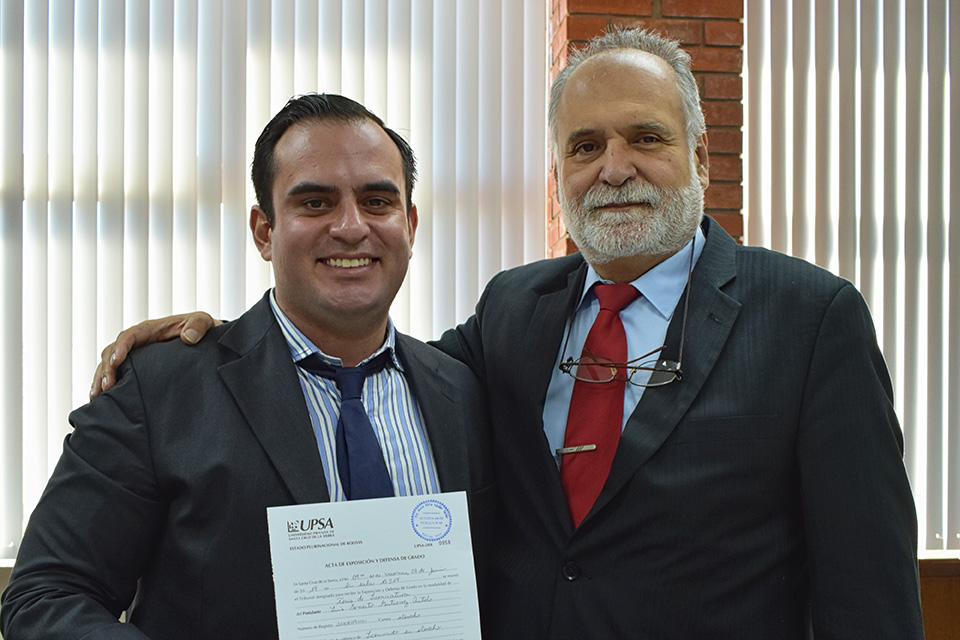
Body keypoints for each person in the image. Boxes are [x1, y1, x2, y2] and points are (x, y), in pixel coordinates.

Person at [83, 29, 924, 639]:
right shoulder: (514, 311)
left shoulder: (811, 319)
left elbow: (870, 596)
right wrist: (221, 339)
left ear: (700, 157)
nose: (614, 167)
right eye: (584, 146)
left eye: (646, 137)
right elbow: (362, 364)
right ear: (558, 176)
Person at [0, 94, 497, 639]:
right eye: (316, 203)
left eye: (377, 201)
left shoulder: (463, 391)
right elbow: (46, 597)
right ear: (264, 231)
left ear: (410, 224)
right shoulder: (161, 388)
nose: (351, 226)